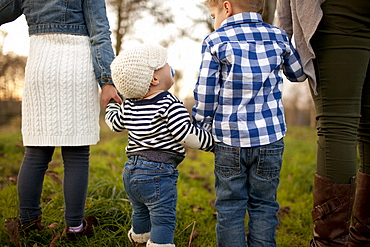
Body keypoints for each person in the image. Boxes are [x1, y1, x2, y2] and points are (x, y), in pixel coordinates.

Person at [0, 0, 122, 245]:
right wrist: (107, 81)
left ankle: (28, 223)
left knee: (35, 152)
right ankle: (75, 226)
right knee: (77, 153)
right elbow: (100, 33)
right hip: (77, 70)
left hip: (40, 68)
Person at [191, 0, 307, 246]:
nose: (214, 20)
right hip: (270, 139)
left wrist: (199, 124)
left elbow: (206, 94)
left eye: (213, 15)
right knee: (264, 204)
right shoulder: (278, 37)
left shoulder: (215, 41)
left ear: (226, 7)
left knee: (230, 205)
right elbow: (298, 74)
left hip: (229, 141)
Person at [276, 0, 370, 246]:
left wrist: (282, 35)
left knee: (337, 125)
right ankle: (363, 238)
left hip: (339, 12)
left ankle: (331, 243)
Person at [105, 44, 214, 247]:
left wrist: (112, 105)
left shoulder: (129, 104)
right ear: (155, 79)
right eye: (164, 64)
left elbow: (114, 123)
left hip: (131, 173)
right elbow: (185, 134)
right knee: (163, 217)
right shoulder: (169, 103)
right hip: (158, 173)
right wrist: (212, 142)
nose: (169, 66)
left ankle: (139, 240)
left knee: (140, 212)